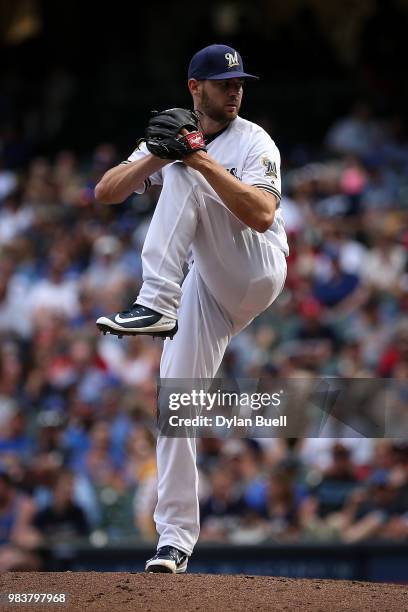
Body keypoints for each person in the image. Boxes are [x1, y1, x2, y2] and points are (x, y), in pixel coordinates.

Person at [94, 44, 289, 573]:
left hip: (256, 266)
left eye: (240, 83)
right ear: (194, 88)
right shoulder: (177, 136)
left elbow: (262, 212)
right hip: (208, 287)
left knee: (188, 171)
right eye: (224, 83)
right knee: (173, 404)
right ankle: (175, 540)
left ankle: (155, 302)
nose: (235, 90)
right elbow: (106, 191)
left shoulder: (255, 140)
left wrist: (194, 157)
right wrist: (157, 154)